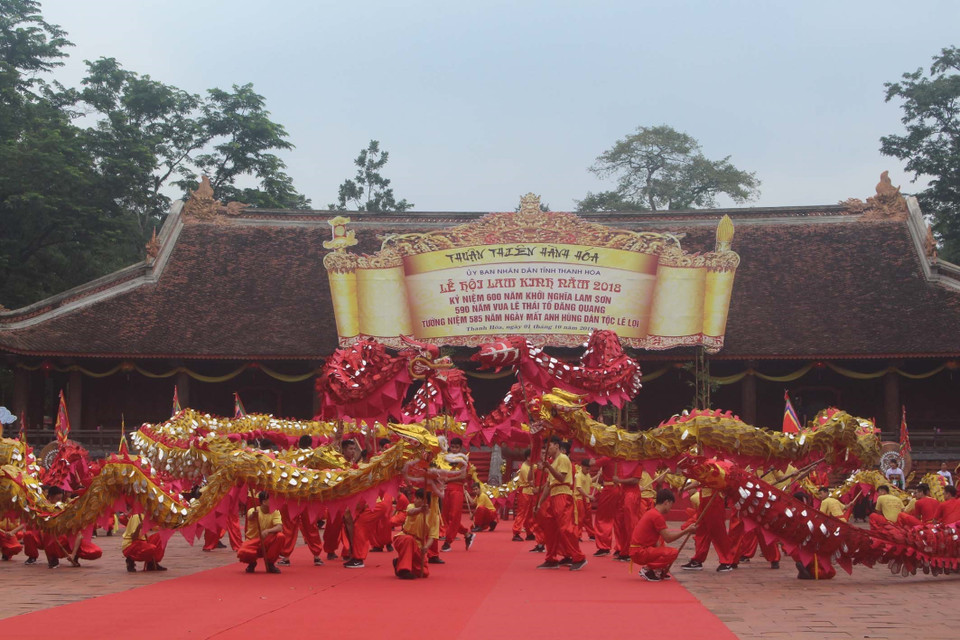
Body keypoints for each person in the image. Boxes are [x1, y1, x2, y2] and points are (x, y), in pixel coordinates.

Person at [535, 436, 587, 571]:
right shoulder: (553, 462)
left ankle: (579, 557)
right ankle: (551, 558)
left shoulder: (563, 458)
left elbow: (562, 477)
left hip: (563, 495)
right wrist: (540, 503)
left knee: (566, 528)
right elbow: (548, 485)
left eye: (549, 446)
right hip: (553, 495)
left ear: (556, 446)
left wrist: (548, 467)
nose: (547, 449)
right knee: (550, 529)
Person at [629, 489, 695, 581]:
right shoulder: (656, 516)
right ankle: (648, 569)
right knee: (672, 552)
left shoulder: (652, 513)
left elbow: (660, 540)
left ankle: (657, 569)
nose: (670, 508)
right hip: (639, 552)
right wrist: (687, 530)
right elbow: (668, 538)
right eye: (671, 505)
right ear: (666, 502)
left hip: (638, 550)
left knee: (662, 544)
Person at [681, 481, 735, 573]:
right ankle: (698, 559)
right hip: (704, 498)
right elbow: (699, 482)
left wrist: (685, 489)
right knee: (701, 530)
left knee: (718, 532)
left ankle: (726, 561)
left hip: (714, 499)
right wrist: (685, 488)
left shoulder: (717, 468)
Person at [440, 437, 475, 552]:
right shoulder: (445, 458)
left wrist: (448, 479)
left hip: (457, 489)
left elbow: (463, 476)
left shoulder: (463, 459)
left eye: (457, 447)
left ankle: (448, 542)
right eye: (453, 447)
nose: (454, 449)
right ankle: (467, 534)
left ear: (460, 448)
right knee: (446, 516)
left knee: (454, 516)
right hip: (447, 490)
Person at [393, 488, 437, 579]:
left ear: (424, 500)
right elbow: (410, 512)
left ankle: (399, 563)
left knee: (424, 572)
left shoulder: (434, 517)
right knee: (409, 539)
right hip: (404, 538)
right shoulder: (411, 506)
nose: (414, 500)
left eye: (417, 498)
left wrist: (426, 547)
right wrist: (420, 509)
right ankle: (403, 570)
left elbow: (432, 537)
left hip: (419, 545)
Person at [237, 491, 285, 573]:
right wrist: (254, 515)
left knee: (280, 536)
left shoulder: (275, 511)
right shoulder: (253, 510)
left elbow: (279, 527)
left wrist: (268, 531)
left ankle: (270, 564)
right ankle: (252, 563)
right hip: (254, 541)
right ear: (264, 502)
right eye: (271, 499)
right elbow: (250, 517)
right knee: (243, 551)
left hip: (267, 541)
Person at [512, 450, 537, 542]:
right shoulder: (524, 467)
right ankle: (516, 532)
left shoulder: (532, 466)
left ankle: (529, 532)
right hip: (525, 492)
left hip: (530, 492)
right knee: (522, 513)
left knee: (530, 514)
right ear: (528, 457)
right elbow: (530, 481)